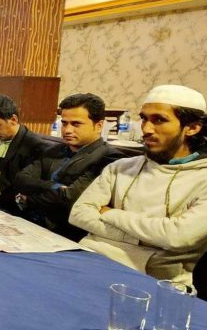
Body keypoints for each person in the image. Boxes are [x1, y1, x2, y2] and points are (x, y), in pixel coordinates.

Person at [70, 85, 207, 286]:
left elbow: (177, 237)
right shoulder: (121, 167)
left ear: (192, 128)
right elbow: (78, 214)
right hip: (85, 259)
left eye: (159, 120)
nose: (146, 129)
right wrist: (145, 238)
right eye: (144, 119)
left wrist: (108, 213)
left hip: (152, 281)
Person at [14, 93, 125, 240]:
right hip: (26, 222)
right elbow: (20, 179)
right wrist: (52, 186)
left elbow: (71, 200)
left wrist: (28, 199)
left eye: (76, 124)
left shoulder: (108, 157)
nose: (67, 130)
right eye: (64, 123)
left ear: (98, 126)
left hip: (65, 233)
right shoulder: (53, 150)